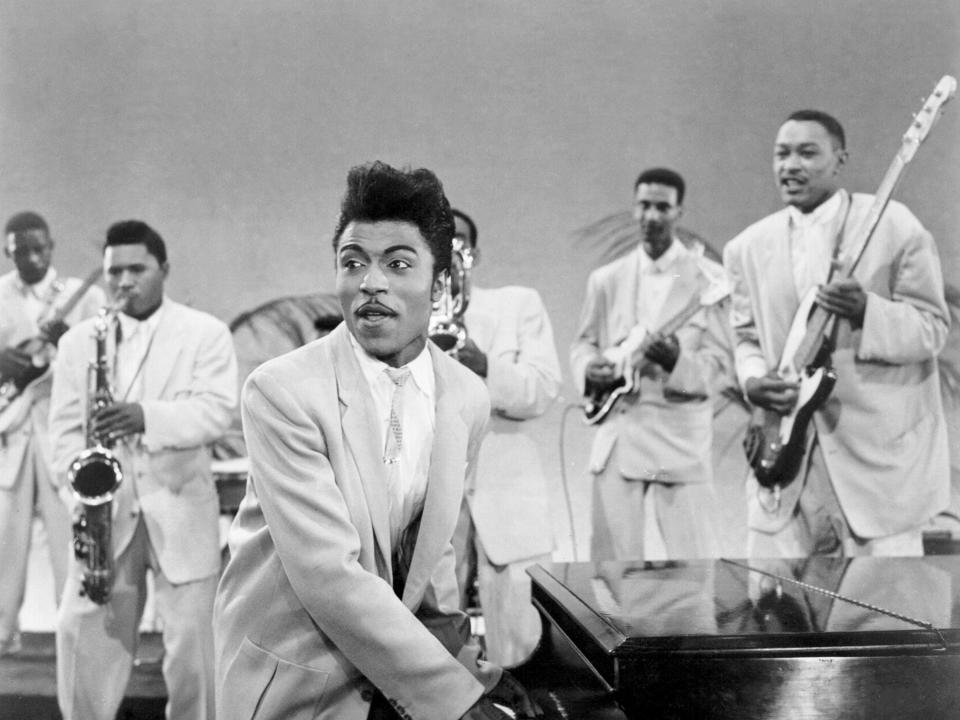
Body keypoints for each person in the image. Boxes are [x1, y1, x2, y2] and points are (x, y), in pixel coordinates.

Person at [214, 162, 539, 720]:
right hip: (297, 680)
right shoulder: (280, 391)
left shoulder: (467, 397)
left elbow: (428, 561)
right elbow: (329, 578)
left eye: (397, 264)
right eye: (353, 262)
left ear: (439, 285)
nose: (371, 282)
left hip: (396, 685)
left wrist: (471, 668)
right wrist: (458, 702)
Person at [723, 109, 951, 558]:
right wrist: (752, 380)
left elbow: (933, 328)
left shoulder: (894, 224)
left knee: (881, 618)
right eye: (781, 154)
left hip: (878, 476)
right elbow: (745, 336)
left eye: (808, 153)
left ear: (839, 159)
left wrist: (868, 310)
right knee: (778, 616)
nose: (791, 165)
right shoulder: (746, 247)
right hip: (787, 466)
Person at [48, 220, 237, 720]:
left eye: (137, 269)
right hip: (104, 517)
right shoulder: (78, 343)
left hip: (180, 509)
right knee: (82, 642)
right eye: (114, 271)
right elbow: (63, 434)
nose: (124, 281)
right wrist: (82, 502)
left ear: (164, 270)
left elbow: (217, 412)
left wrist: (145, 416)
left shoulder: (206, 333)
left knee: (196, 653)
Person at [570, 168, 731, 561]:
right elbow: (584, 344)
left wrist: (678, 362)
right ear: (634, 208)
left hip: (679, 446)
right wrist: (590, 369)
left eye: (662, 207)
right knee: (610, 579)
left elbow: (723, 366)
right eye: (644, 205)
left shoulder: (709, 281)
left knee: (695, 575)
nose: (652, 216)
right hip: (618, 436)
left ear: (679, 212)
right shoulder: (607, 278)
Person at [447, 208, 562, 666]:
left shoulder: (517, 304)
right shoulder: (402, 319)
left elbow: (544, 388)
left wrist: (486, 368)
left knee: (522, 651)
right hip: (435, 506)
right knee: (435, 654)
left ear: (474, 254)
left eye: (459, 242)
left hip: (508, 499)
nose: (450, 250)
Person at [0, 211, 104, 656]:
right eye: (20, 250)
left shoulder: (84, 296)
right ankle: (3, 635)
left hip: (63, 436)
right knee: (5, 538)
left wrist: (68, 341)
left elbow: (104, 355)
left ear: (52, 245)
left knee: (70, 536)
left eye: (39, 247)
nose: (32, 257)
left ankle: (75, 634)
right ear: (8, 251)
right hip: (12, 433)